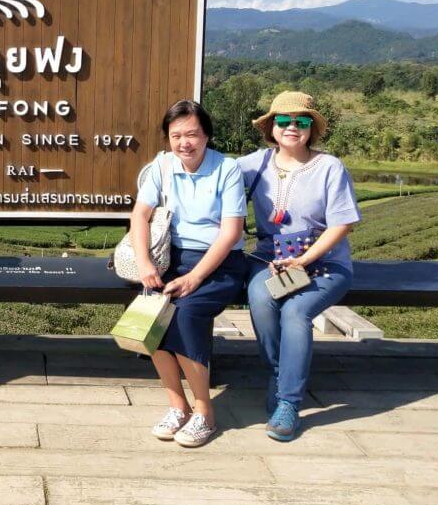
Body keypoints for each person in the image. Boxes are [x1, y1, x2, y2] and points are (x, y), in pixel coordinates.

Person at [239, 91, 360, 441]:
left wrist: (304, 260)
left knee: (296, 312)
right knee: (260, 298)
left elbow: (342, 224)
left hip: (324, 264)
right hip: (270, 261)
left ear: (312, 129)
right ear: (271, 128)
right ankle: (279, 374)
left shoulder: (329, 168)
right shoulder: (255, 164)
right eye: (284, 121)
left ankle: (289, 402)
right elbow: (213, 173)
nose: (292, 127)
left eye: (301, 121)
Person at [129, 99, 247, 448]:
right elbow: (139, 216)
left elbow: (231, 232)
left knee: (185, 314)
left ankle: (204, 412)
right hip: (171, 259)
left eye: (192, 134)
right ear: (167, 139)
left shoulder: (227, 169)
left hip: (219, 263)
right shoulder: (162, 167)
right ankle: (177, 406)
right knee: (150, 317)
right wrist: (145, 264)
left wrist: (195, 277)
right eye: (176, 135)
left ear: (207, 135)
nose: (184, 143)